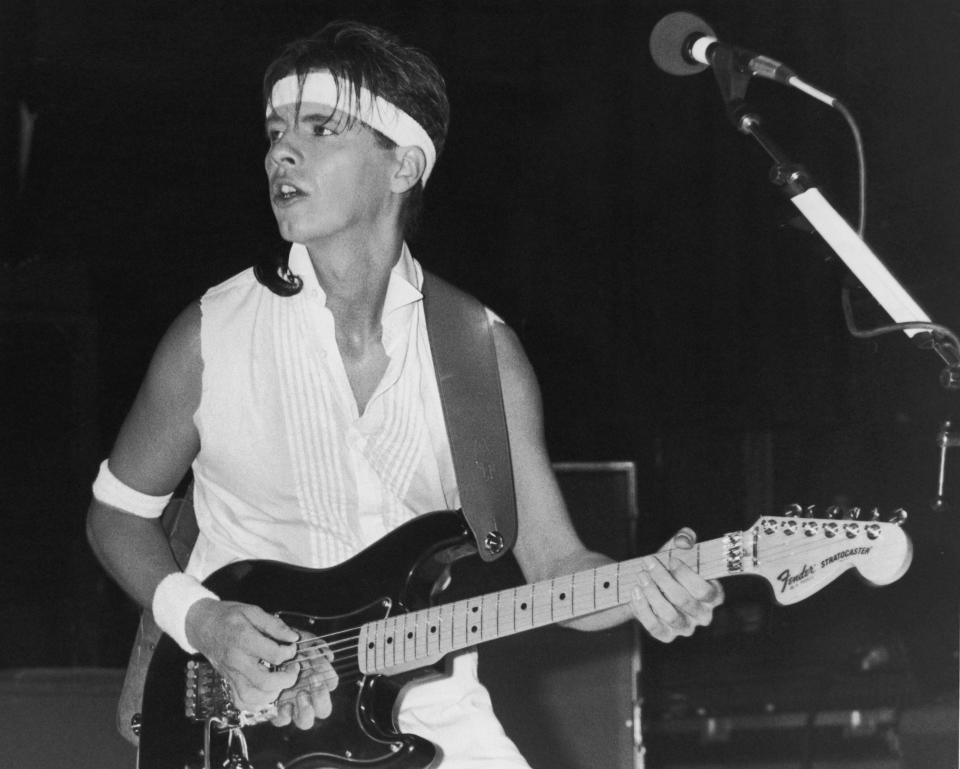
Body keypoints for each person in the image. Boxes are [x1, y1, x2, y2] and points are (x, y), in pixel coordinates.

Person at [86, 20, 723, 768]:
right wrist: (203, 620)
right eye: (274, 131)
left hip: (429, 715)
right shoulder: (209, 336)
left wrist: (653, 587)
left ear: (403, 166)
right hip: (233, 724)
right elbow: (115, 517)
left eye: (321, 129)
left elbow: (554, 567)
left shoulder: (481, 354)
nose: (280, 152)